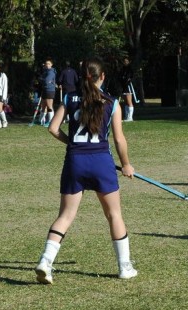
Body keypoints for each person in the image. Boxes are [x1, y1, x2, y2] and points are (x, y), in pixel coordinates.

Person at [35, 57, 138, 284]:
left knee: (65, 216)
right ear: (102, 77)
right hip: (102, 162)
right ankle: (125, 267)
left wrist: (72, 143)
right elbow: (119, 139)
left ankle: (45, 261)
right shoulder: (112, 102)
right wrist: (126, 164)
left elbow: (53, 128)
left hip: (75, 162)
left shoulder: (69, 98)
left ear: (83, 77)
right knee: (114, 215)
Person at [40, 58, 57, 127]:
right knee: (43, 106)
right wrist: (42, 79)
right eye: (46, 64)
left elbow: (46, 81)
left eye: (49, 64)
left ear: (51, 64)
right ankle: (41, 120)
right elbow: (41, 79)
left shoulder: (51, 72)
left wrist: (42, 79)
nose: (47, 65)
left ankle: (51, 121)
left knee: (49, 106)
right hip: (44, 89)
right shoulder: (45, 71)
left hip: (50, 90)